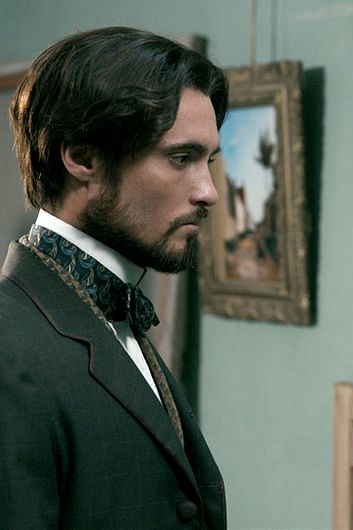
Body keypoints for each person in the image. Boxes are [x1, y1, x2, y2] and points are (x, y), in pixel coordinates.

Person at [0, 26, 228, 528]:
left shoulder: (112, 310)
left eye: (208, 161)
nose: (208, 191)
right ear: (82, 157)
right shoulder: (9, 348)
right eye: (181, 158)